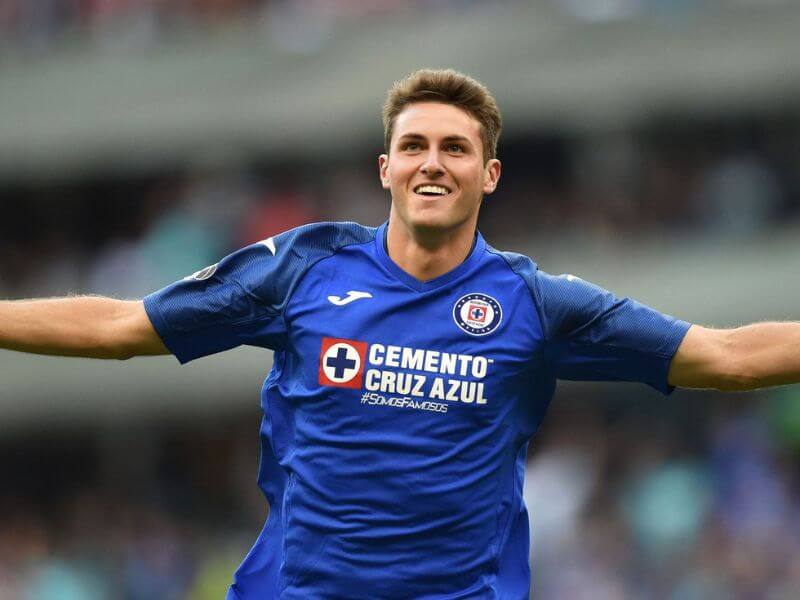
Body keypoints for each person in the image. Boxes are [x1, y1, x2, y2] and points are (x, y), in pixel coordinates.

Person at [2, 69, 799, 599]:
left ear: (489, 174)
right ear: (385, 168)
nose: (432, 163)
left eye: (456, 148)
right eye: (413, 145)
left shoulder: (534, 303)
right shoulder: (303, 269)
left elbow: (725, 356)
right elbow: (122, 327)